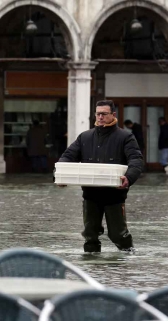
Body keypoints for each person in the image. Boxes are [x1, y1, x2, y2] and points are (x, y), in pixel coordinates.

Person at [58, 100, 143, 253]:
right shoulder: (85, 137)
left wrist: (129, 178)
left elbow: (136, 160)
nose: (100, 117)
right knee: (90, 234)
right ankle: (92, 265)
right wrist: (60, 176)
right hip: (90, 195)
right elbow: (67, 156)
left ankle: (128, 257)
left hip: (115, 195)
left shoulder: (125, 137)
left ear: (113, 115)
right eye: (98, 114)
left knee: (118, 234)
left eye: (104, 114)